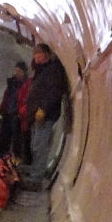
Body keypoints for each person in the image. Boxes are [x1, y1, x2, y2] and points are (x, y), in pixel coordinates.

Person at [24, 43, 68, 180]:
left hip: (45, 114)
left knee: (40, 144)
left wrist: (43, 108)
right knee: (35, 144)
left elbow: (54, 91)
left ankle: (37, 174)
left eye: (40, 55)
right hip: (35, 114)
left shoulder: (53, 69)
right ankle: (35, 169)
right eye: (35, 56)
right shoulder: (40, 70)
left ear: (47, 54)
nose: (37, 58)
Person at [0, 61, 28, 156]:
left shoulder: (25, 84)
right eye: (16, 70)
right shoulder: (11, 84)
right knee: (4, 135)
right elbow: (7, 96)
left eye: (19, 71)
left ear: (23, 72)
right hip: (7, 111)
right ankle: (1, 154)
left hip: (16, 113)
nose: (16, 73)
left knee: (16, 138)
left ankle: (15, 156)